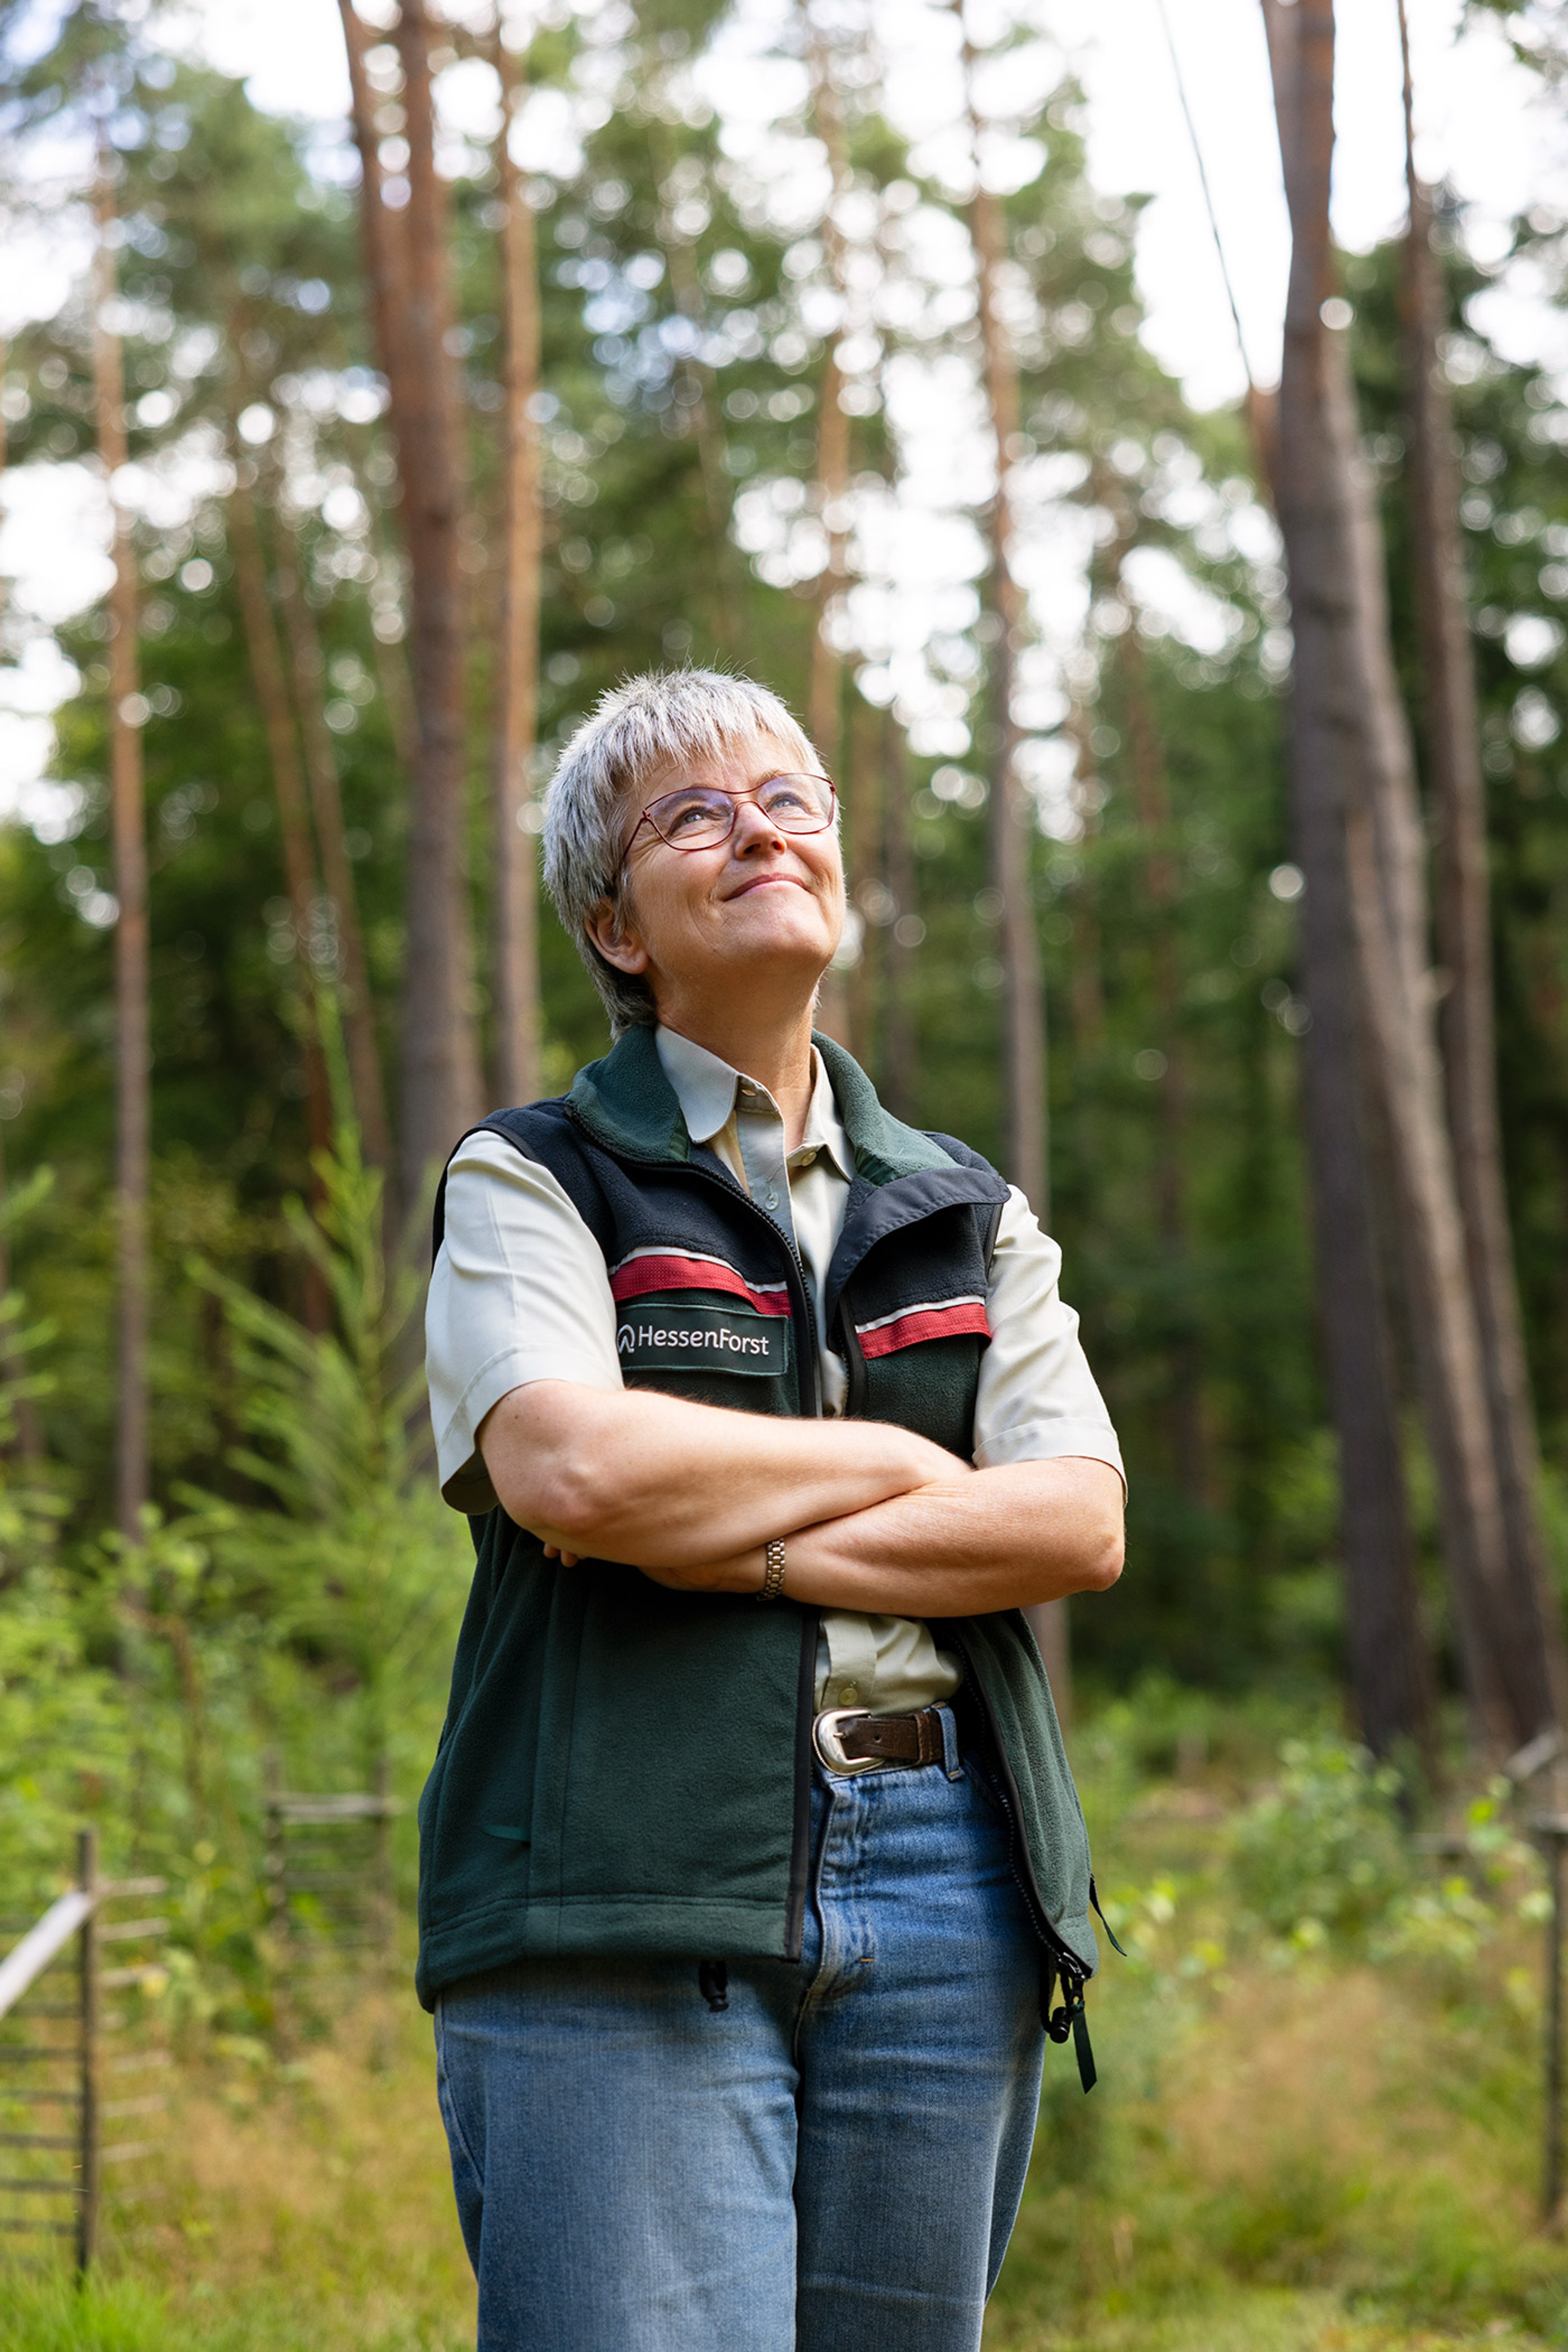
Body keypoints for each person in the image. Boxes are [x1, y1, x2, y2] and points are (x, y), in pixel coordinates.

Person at [421, 668, 1125, 2352]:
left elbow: (1075, 1525)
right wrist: (904, 1469)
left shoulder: (966, 1209)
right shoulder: (531, 1178)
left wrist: (737, 1532)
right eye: (693, 814)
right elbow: (571, 1473)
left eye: (791, 799)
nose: (761, 828)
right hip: (623, 1875)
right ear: (618, 928)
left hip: (956, 1883)